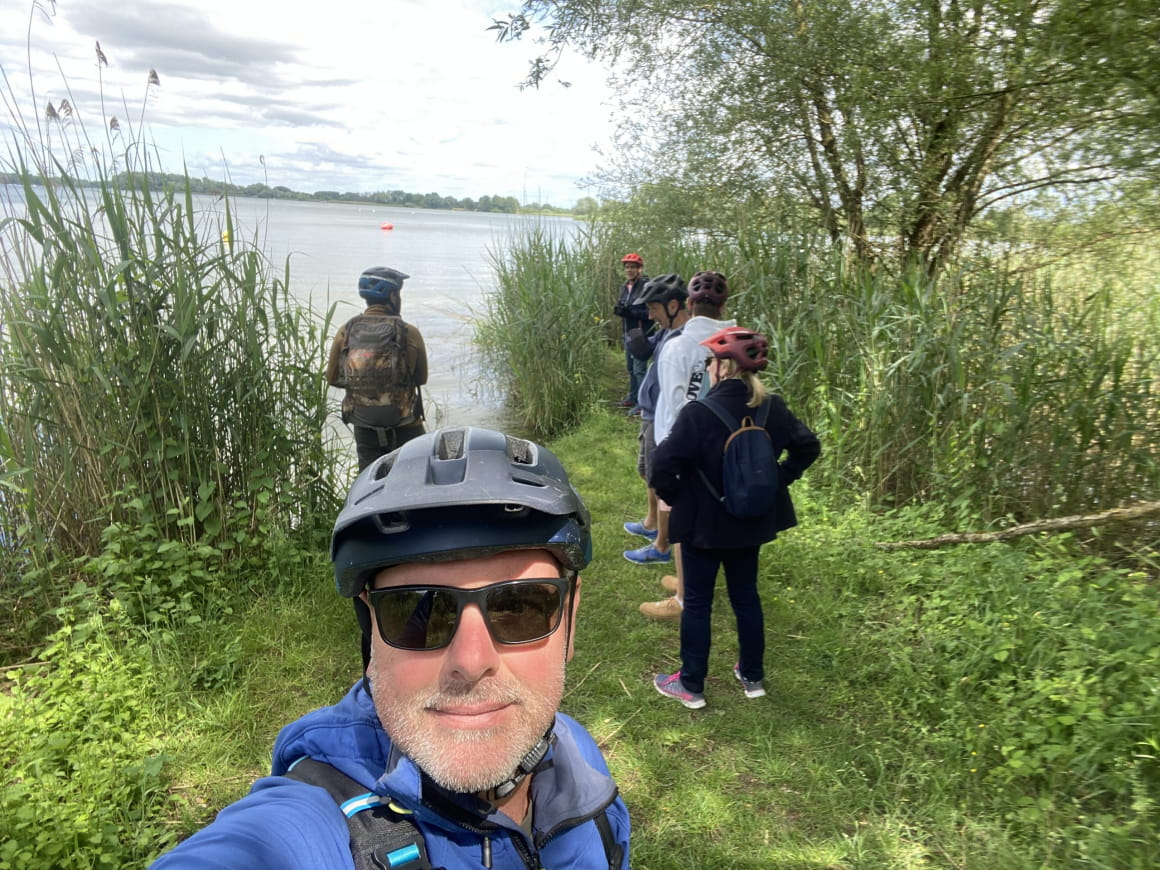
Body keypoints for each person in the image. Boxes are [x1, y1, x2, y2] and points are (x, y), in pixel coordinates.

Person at [150, 427, 631, 869]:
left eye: (519, 607)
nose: (471, 662)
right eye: (419, 611)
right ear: (371, 636)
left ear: (570, 620)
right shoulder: (314, 823)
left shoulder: (579, 760)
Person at [649, 327, 820, 708]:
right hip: (750, 522)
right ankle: (752, 676)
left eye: (712, 361)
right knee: (746, 597)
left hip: (703, 527)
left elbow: (661, 465)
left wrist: (676, 496)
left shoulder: (698, 413)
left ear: (723, 367)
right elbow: (808, 446)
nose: (710, 367)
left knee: (698, 602)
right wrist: (780, 478)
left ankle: (691, 684)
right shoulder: (772, 408)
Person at [631, 272, 736, 623]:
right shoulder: (736, 339)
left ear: (688, 305)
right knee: (708, 516)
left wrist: (670, 454)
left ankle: (684, 599)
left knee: (681, 520)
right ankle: (690, 580)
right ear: (723, 306)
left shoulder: (678, 347)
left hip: (684, 445)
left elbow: (675, 407)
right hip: (723, 444)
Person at [621, 274, 689, 584]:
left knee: (660, 480)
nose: (650, 315)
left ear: (673, 305)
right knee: (647, 472)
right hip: (650, 413)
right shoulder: (666, 332)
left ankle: (661, 544)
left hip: (662, 420)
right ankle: (652, 523)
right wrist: (638, 344)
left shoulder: (682, 341)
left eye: (653, 308)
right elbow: (648, 353)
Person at [327, 266, 428, 471]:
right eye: (398, 294)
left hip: (365, 429)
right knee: (414, 480)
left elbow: (332, 378)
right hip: (406, 427)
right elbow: (421, 378)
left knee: (370, 483)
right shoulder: (410, 332)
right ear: (392, 296)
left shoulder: (346, 331)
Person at [612, 253, 650, 410]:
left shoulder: (646, 287)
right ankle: (633, 398)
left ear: (639, 269)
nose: (629, 270)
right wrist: (620, 311)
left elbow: (650, 313)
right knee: (630, 368)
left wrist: (630, 312)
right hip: (627, 333)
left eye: (633, 267)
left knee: (639, 370)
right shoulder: (625, 287)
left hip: (641, 334)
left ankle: (644, 403)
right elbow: (625, 309)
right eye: (627, 267)